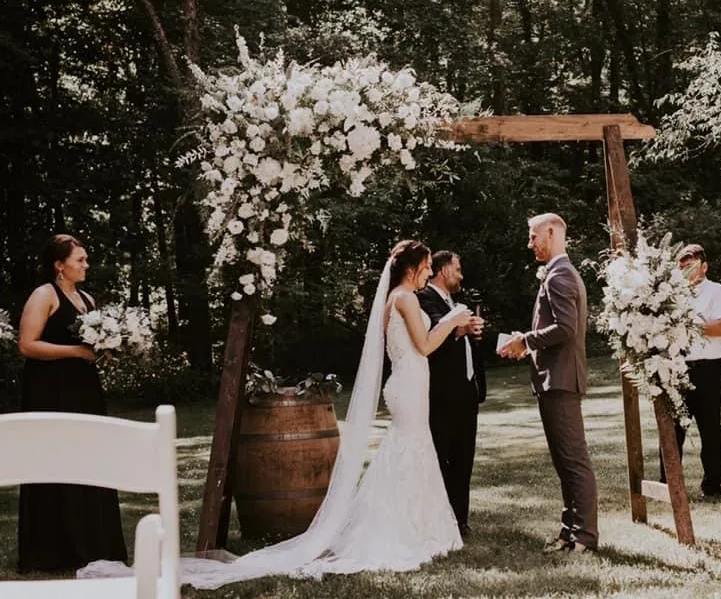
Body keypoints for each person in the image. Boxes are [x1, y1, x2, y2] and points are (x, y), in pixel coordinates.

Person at [80, 240, 473, 588]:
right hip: (409, 382)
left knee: (410, 447)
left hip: (413, 383)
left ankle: (417, 525)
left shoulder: (403, 297)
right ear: (412, 267)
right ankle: (404, 530)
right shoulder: (404, 297)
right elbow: (423, 346)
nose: (428, 272)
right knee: (409, 446)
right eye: (425, 266)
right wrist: (452, 321)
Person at [17, 234, 128, 573]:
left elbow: (89, 344)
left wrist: (106, 349)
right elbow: (27, 345)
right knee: (55, 460)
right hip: (49, 390)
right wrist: (75, 352)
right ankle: (53, 550)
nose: (86, 264)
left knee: (90, 458)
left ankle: (95, 543)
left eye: (85, 258)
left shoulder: (86, 298)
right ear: (59, 265)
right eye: (80, 259)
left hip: (84, 390)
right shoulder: (43, 295)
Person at [498, 213, 598, 554]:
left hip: (560, 379)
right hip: (554, 379)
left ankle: (583, 536)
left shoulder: (560, 275)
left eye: (532, 236)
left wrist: (524, 341)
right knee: (563, 461)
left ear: (551, 233)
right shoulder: (559, 273)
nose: (530, 244)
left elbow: (566, 329)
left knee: (573, 460)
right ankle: (570, 532)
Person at [417, 251, 487, 539]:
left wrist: (473, 333)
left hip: (467, 393)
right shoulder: (423, 299)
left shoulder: (456, 304)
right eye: (457, 269)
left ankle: (461, 519)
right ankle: (441, 519)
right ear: (444, 271)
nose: (461, 274)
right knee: (442, 457)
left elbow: (461, 337)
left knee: (464, 459)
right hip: (442, 395)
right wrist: (459, 330)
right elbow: (434, 333)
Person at [658, 244, 721, 498]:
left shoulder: (718, 292)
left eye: (691, 265)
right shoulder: (669, 296)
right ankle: (668, 484)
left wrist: (687, 326)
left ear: (704, 266)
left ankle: (712, 486)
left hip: (707, 369)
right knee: (672, 428)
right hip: (675, 368)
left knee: (709, 427)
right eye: (682, 267)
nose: (686, 270)